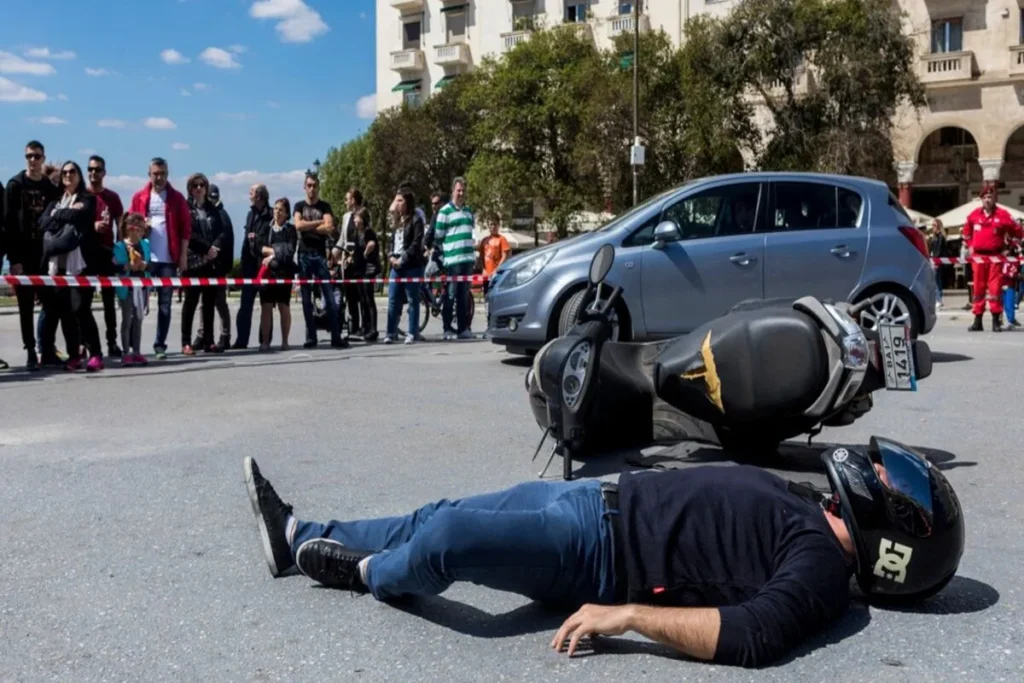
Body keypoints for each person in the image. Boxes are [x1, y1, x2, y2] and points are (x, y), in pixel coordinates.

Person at [242, 436, 964, 668]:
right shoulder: (816, 510)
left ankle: (368, 574)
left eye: (882, 484)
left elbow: (754, 635)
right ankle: (300, 534)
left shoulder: (823, 570)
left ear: (888, 532)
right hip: (593, 500)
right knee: (439, 513)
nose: (869, 473)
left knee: (446, 541)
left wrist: (624, 615)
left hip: (596, 551)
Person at [39, 161, 104, 371]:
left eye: (72, 172)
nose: (67, 175)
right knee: (65, 312)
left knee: (81, 309)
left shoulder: (88, 199)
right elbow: (43, 223)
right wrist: (62, 214)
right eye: (65, 172)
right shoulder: (56, 201)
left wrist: (58, 215)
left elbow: (81, 217)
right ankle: (74, 354)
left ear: (79, 175)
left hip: (81, 264)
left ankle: (96, 353)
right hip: (57, 265)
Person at [4, 140, 62, 370]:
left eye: (37, 156)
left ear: (43, 158)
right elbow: (8, 224)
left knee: (52, 303)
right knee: (26, 307)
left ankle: (46, 348)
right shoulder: (15, 186)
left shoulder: (48, 187)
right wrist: (14, 259)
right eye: (29, 156)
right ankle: (30, 351)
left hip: (45, 254)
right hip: (23, 255)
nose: (33, 160)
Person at [128, 157, 191, 359]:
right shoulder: (139, 197)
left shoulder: (177, 198)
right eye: (156, 173)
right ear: (149, 174)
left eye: (163, 173)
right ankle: (133, 346)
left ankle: (160, 345)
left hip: (167, 260)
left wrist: (182, 256)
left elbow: (185, 229)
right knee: (137, 302)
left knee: (165, 304)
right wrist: (140, 228)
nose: (159, 177)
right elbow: (128, 225)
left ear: (167, 174)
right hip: (144, 258)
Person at [294, 172, 346, 349]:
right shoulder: (299, 206)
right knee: (306, 299)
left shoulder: (325, 206)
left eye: (315, 185)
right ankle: (311, 336)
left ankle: (336, 336)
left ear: (318, 187)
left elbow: (330, 227)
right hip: (303, 255)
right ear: (304, 187)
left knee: (330, 298)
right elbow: (298, 225)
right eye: (309, 185)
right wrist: (318, 224)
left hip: (320, 255)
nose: (312, 189)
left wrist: (310, 227)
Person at [963, 186, 1022, 332]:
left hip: (995, 257)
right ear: (981, 199)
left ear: (994, 198)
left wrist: (1011, 246)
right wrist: (970, 245)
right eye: (985, 198)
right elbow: (966, 233)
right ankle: (978, 321)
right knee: (978, 288)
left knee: (995, 289)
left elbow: (1018, 230)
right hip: (978, 257)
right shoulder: (974, 215)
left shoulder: (1002, 214)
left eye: (990, 197)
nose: (988, 200)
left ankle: (996, 320)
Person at [181, 173, 228, 354]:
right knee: (190, 303)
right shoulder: (185, 208)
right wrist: (205, 248)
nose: (199, 188)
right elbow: (187, 233)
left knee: (209, 303)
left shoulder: (212, 208)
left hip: (210, 263)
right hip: (193, 262)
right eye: (195, 185)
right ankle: (186, 342)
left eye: (202, 185)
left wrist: (215, 247)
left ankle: (209, 341)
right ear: (190, 189)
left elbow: (221, 231)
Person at [85, 154, 125, 358]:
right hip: (86, 255)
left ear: (104, 172)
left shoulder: (112, 197)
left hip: (107, 254)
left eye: (97, 169)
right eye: (90, 169)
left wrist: (120, 249)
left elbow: (121, 224)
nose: (93, 173)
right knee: (84, 301)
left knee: (110, 301)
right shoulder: (82, 195)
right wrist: (92, 226)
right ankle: (86, 344)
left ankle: (112, 341)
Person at [432, 177, 476, 340]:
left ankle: (463, 328)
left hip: (467, 260)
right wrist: (444, 256)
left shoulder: (469, 211)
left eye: (463, 190)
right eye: (458, 190)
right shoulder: (444, 212)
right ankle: (447, 328)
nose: (461, 193)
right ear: (453, 191)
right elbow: (438, 237)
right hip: (452, 260)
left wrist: (473, 255)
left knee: (463, 296)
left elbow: (472, 233)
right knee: (450, 295)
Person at [194, 183, 233, 351]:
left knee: (219, 302)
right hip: (207, 266)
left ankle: (224, 335)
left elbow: (225, 242)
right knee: (206, 302)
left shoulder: (220, 215)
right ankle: (203, 334)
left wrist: (223, 266)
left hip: (217, 266)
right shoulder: (207, 214)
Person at [384, 186, 425, 345]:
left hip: (411, 265)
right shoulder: (396, 220)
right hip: (395, 265)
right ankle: (390, 332)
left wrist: (402, 259)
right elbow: (390, 241)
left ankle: (412, 332)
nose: (397, 204)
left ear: (407, 202)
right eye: (396, 200)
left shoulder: (416, 220)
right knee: (393, 299)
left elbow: (416, 244)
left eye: (400, 200)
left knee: (412, 300)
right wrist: (390, 256)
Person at [256, 198, 297, 351]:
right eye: (275, 208)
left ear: (287, 213)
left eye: (281, 209)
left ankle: (285, 341)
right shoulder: (267, 228)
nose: (277, 212)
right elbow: (260, 247)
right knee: (266, 307)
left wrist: (272, 253)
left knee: (283, 307)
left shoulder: (291, 230)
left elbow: (290, 251)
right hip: (268, 274)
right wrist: (277, 251)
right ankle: (265, 342)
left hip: (284, 273)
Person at [236, 184, 273, 349]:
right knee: (245, 306)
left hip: (264, 267)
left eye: (251, 193)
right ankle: (241, 340)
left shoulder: (272, 215)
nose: (249, 195)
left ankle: (264, 341)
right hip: (249, 268)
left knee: (266, 305)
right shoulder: (250, 214)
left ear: (259, 196)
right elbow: (246, 240)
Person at [112, 212, 151, 366]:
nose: (141, 232)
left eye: (143, 229)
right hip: (127, 288)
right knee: (126, 320)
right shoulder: (120, 246)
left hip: (141, 288)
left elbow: (151, 263)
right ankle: (126, 352)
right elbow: (117, 266)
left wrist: (145, 265)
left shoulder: (145, 244)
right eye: (138, 229)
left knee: (138, 320)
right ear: (129, 229)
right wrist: (128, 265)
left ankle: (137, 351)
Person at [927, 219, 946, 310]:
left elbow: (939, 250)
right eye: (932, 225)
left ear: (938, 225)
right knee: (935, 281)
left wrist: (936, 262)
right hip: (933, 260)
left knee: (936, 281)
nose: (932, 227)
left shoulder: (941, 237)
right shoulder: (934, 237)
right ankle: (938, 299)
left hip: (938, 261)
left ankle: (939, 300)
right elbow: (930, 248)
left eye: (934, 225)